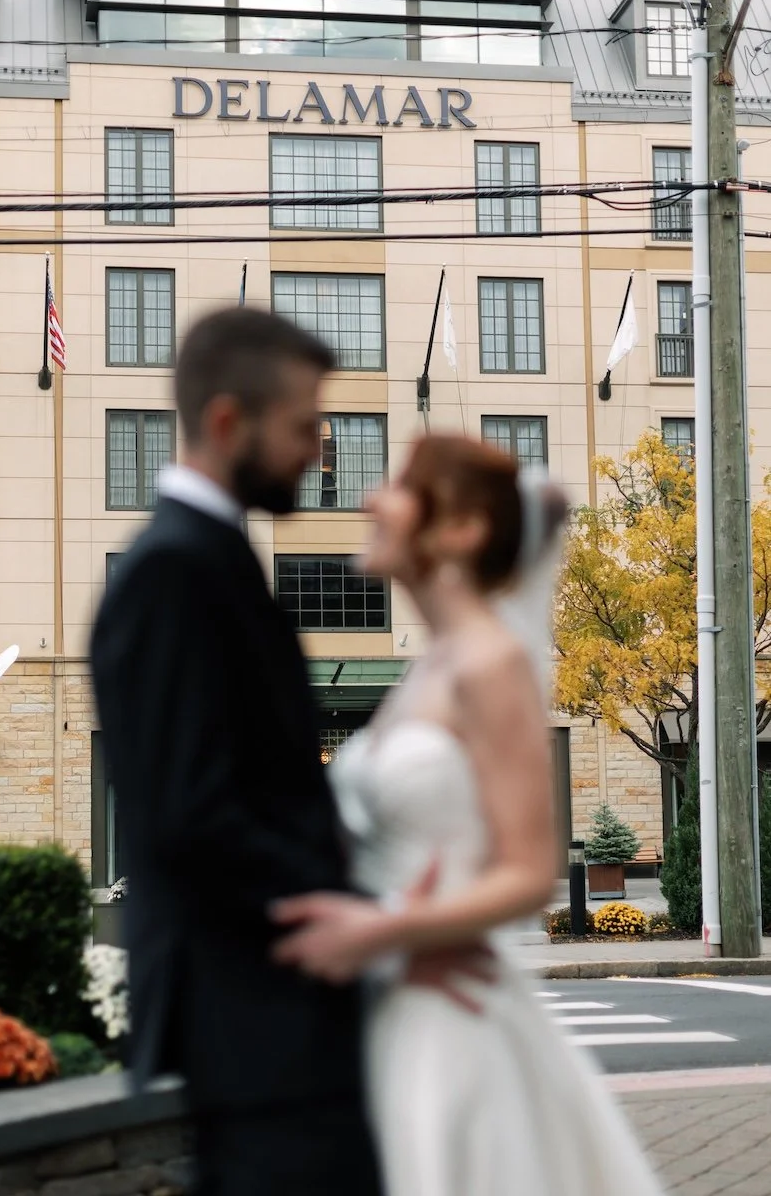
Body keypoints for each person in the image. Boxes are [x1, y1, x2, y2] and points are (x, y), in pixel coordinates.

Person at [90, 309, 480, 1196]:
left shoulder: (212, 560)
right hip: (253, 1021)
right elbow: (195, 817)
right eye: (305, 426)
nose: (320, 450)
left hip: (275, 1017)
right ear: (230, 421)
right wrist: (381, 926)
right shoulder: (172, 574)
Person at [272, 434, 666, 1196]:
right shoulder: (434, 666)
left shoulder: (493, 664)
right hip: (398, 1004)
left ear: (460, 529)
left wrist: (385, 931)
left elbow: (529, 872)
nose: (370, 498)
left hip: (451, 1022)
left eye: (398, 487)